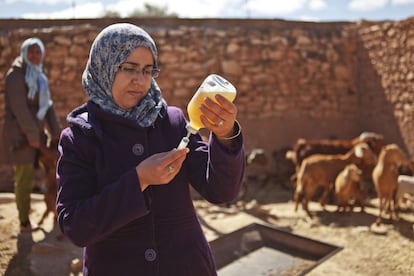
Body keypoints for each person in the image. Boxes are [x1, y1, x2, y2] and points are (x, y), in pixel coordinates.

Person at [56, 23, 245, 275]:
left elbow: (221, 191)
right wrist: (139, 180)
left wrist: (224, 136)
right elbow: (75, 225)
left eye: (148, 70)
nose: (140, 80)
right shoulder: (80, 138)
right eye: (129, 68)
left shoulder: (173, 123)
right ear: (104, 66)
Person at [2, 37, 61, 232]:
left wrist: (56, 132)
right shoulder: (15, 76)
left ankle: (52, 212)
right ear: (24, 53)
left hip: (37, 137)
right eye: (31, 51)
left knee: (51, 174)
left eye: (38, 52)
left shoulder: (39, 76)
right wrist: (32, 137)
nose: (35, 55)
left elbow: (48, 106)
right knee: (24, 178)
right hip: (21, 137)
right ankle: (24, 221)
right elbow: (20, 110)